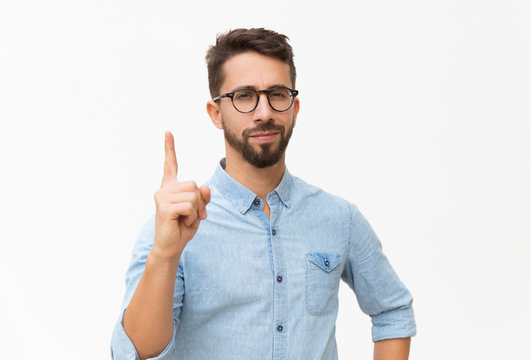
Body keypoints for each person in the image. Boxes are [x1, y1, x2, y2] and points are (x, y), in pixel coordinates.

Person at [111, 28, 416, 360]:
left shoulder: (339, 218)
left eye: (277, 94)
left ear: (294, 108)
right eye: (244, 96)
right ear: (216, 113)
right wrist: (165, 256)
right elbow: (133, 355)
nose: (264, 112)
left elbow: (393, 311)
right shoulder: (175, 228)